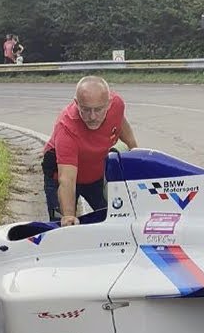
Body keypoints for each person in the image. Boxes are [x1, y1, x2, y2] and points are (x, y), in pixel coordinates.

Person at [43, 76, 138, 225]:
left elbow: (119, 123)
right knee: (62, 226)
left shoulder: (117, 105)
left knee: (115, 219)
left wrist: (134, 148)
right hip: (61, 175)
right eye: (86, 110)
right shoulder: (66, 128)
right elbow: (67, 179)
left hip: (95, 173)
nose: (92, 117)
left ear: (109, 103)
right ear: (76, 103)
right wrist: (68, 215)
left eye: (98, 110)